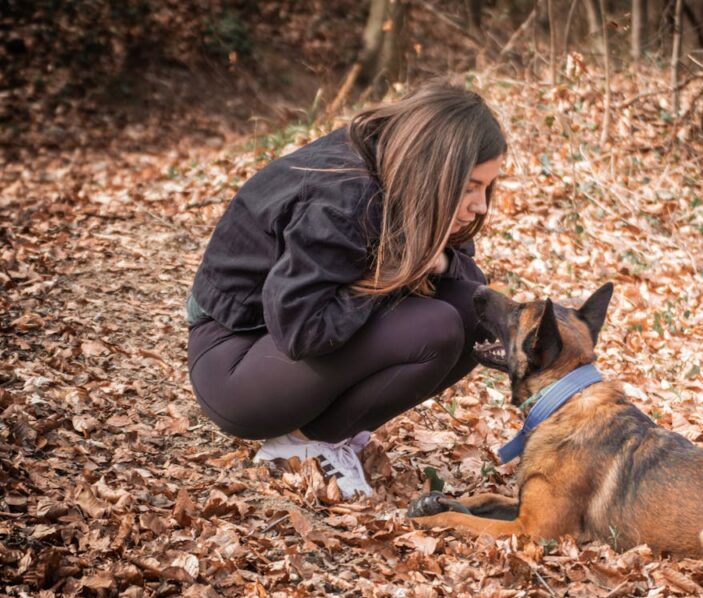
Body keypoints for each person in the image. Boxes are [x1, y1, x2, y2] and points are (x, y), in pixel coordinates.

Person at [185, 82, 505, 497]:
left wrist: (438, 262)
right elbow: (301, 330)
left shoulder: (406, 177)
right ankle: (299, 446)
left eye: (486, 187)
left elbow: (467, 286)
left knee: (475, 309)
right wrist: (394, 272)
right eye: (470, 187)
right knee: (436, 326)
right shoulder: (345, 197)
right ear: (434, 168)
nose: (480, 206)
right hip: (233, 361)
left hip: (282, 342)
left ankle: (329, 435)